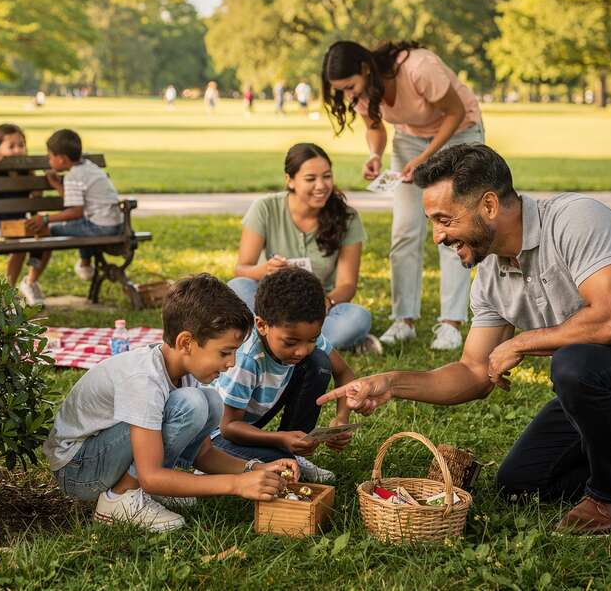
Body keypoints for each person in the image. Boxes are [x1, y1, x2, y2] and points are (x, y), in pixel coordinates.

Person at [319, 144, 611, 536]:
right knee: (523, 482)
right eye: (433, 222)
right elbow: (473, 371)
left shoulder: (576, 219)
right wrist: (390, 382)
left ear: (488, 205)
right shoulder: (489, 277)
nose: (438, 237)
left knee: (573, 364)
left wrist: (521, 342)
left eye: (445, 220)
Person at [44, 273, 298, 532]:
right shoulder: (144, 380)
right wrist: (235, 485)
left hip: (102, 457)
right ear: (186, 342)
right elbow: (151, 475)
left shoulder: (186, 372)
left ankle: (143, 490)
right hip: (77, 469)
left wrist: (254, 468)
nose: (232, 362)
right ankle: (118, 499)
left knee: (209, 401)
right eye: (225, 352)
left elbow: (204, 455)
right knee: (191, 404)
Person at [322, 40, 486, 350]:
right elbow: (375, 127)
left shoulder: (419, 68)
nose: (348, 95)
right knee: (405, 229)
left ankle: (451, 323)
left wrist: (427, 158)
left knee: (452, 226)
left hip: (459, 133)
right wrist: (375, 154)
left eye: (349, 86)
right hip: (409, 140)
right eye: (341, 90)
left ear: (365, 68)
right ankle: (404, 320)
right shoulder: (361, 91)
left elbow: (455, 112)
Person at [230, 143, 379, 353]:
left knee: (358, 317)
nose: (321, 185)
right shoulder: (265, 208)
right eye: (311, 179)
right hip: (270, 305)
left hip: (318, 310)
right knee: (237, 286)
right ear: (290, 180)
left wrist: (327, 301)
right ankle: (319, 343)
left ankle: (269, 341)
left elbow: (347, 285)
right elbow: (242, 268)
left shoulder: (348, 217)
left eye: (327, 176)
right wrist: (265, 270)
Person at [214, 268, 358, 483]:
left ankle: (293, 452)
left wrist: (341, 418)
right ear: (262, 325)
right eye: (290, 342)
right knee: (279, 460)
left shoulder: (304, 337)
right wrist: (280, 440)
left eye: (312, 339)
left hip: (248, 423)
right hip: (214, 436)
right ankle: (217, 465)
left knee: (318, 362)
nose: (302, 350)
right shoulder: (246, 358)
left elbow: (344, 372)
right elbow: (228, 428)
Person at [24, 129, 123, 288]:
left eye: (50, 156)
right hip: (116, 224)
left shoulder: (73, 176)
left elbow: (76, 212)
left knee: (46, 231)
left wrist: (45, 219)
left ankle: (30, 281)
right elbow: (76, 204)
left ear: (62, 159)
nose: (49, 160)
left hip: (99, 227)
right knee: (82, 226)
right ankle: (85, 265)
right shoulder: (88, 167)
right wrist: (57, 185)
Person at [0, 123, 39, 301]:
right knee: (19, 242)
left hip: (20, 227)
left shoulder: (26, 171)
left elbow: (37, 195)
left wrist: (37, 174)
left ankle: (25, 282)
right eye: (11, 146)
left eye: (21, 145)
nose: (17, 150)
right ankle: (9, 290)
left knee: (42, 238)